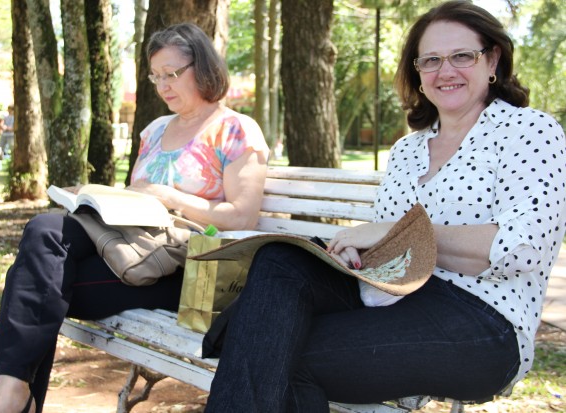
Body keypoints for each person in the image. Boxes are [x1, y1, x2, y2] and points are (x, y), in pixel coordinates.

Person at [204, 1, 566, 412]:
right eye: (431, 60)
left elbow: (523, 248)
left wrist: (399, 232)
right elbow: (391, 252)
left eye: (462, 55)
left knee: (274, 352)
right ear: (418, 73)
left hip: (483, 321)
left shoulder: (528, 129)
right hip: (393, 295)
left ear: (493, 59)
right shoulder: (407, 150)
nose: (445, 71)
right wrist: (357, 250)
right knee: (279, 260)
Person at [0, 22, 269, 413]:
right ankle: (12, 394)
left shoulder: (235, 129)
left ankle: (9, 398)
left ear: (203, 67)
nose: (162, 85)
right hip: (133, 253)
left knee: (24, 285)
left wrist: (170, 196)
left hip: (188, 269)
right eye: (156, 76)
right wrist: (96, 197)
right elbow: (136, 204)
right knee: (43, 241)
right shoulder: (155, 130)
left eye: (172, 74)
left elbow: (243, 216)